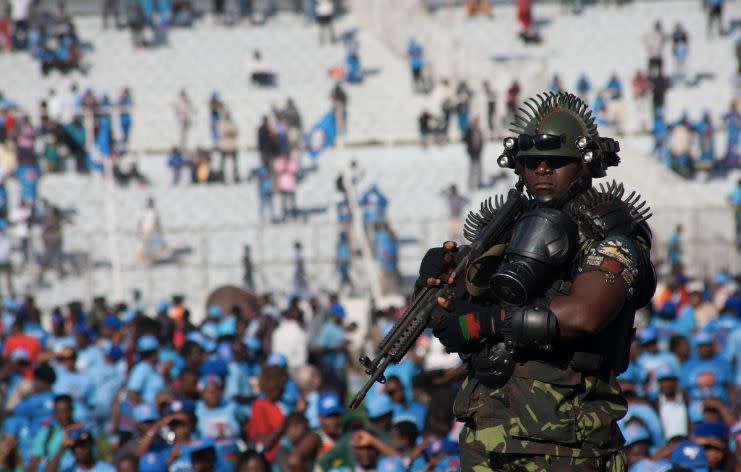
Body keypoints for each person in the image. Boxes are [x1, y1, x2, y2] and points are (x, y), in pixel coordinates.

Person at [420, 91, 656, 469]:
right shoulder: (501, 233)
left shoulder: (611, 234)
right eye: (532, 162)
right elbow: (452, 317)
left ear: (585, 163)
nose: (542, 169)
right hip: (487, 439)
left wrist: (491, 321)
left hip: (570, 447)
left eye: (556, 161)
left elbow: (584, 314)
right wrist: (437, 284)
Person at [217, 111, 239, 182]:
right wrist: (229, 132)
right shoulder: (222, 123)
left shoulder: (232, 123)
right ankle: (221, 177)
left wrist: (229, 132)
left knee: (235, 163)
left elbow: (236, 131)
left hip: (232, 146)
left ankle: (236, 176)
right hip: (224, 146)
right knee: (222, 163)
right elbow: (221, 132)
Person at [463, 116, 484, 190]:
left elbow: (481, 141)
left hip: (478, 152)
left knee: (479, 168)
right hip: (472, 153)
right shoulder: (469, 130)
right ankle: (471, 185)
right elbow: (465, 139)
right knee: (472, 169)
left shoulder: (478, 131)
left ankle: (479, 183)